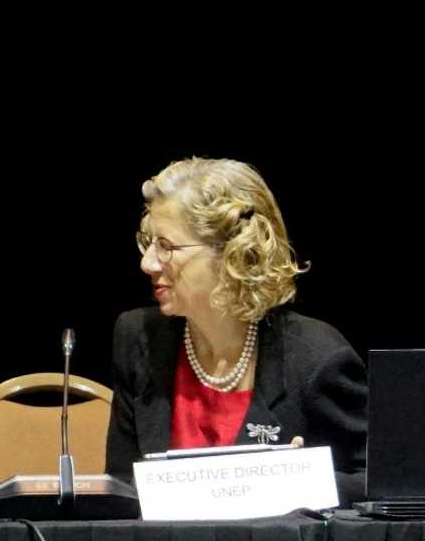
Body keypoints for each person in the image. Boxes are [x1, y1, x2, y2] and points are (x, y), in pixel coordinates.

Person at [106, 157, 367, 506]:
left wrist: (303, 481)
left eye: (167, 246)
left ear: (232, 254)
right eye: (148, 242)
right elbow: (123, 492)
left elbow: (381, 483)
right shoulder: (137, 339)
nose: (148, 262)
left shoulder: (317, 358)